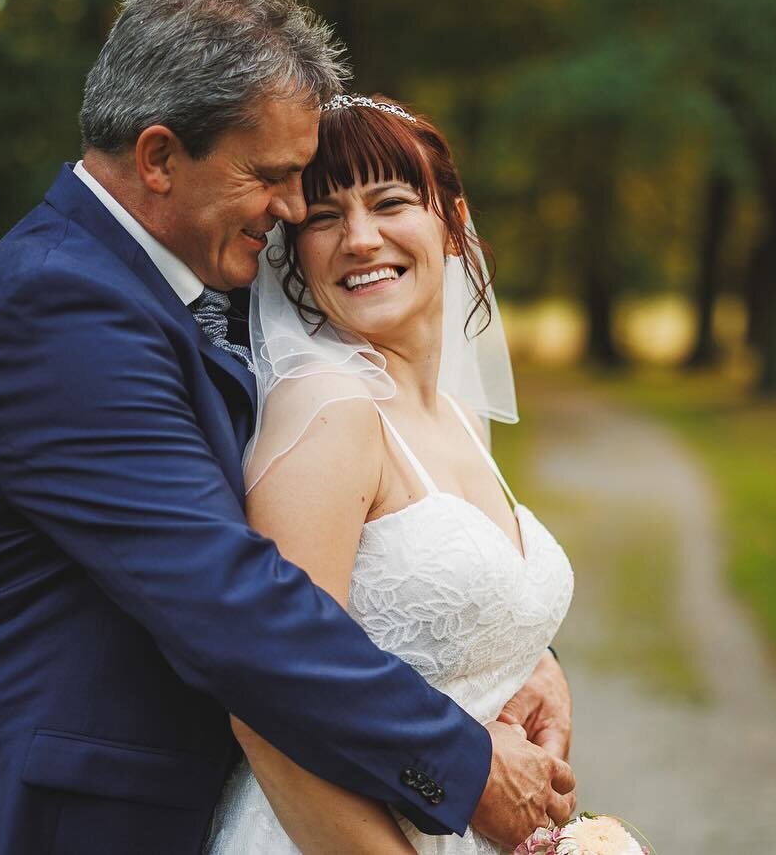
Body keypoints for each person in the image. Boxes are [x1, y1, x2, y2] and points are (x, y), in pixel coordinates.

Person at [0, 0, 572, 855]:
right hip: (76, 818)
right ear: (160, 157)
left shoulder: (167, 281)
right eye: (274, 177)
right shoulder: (61, 306)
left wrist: (522, 656)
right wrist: (467, 766)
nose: (291, 210)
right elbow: (231, 604)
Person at [205, 93, 574, 855]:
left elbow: (428, 609)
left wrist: (535, 662)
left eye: (390, 201)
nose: (361, 239)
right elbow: (266, 696)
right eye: (323, 217)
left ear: (451, 219)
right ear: (294, 252)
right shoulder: (327, 413)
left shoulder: (459, 416)